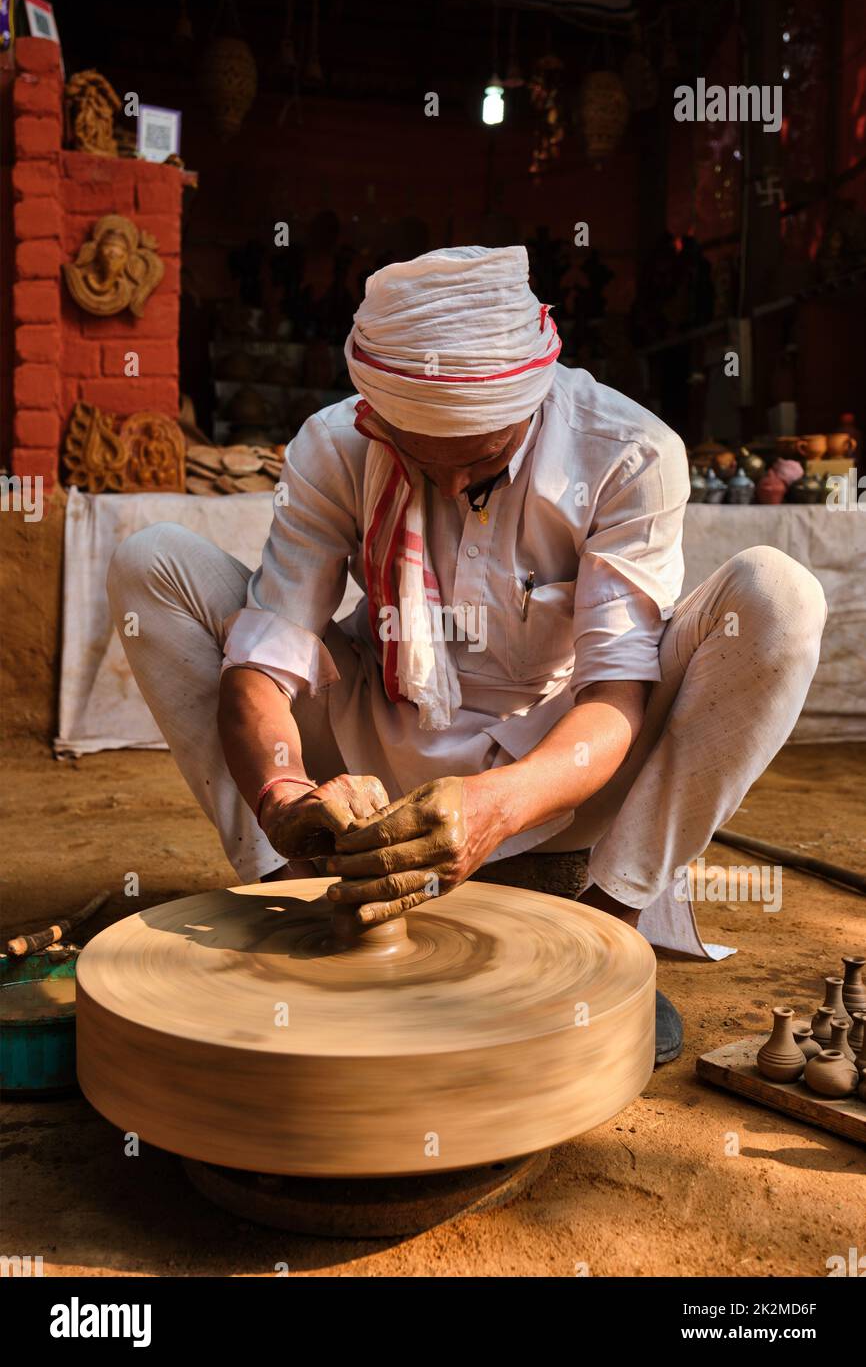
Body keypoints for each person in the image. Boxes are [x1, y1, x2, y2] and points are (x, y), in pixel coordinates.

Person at [108, 246, 827, 1065]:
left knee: (779, 598)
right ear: (379, 416)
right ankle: (296, 891)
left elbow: (617, 694)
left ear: (530, 404)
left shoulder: (628, 451)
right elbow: (268, 658)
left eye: (481, 467)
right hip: (372, 744)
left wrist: (499, 804)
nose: (450, 491)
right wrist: (281, 795)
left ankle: (606, 930)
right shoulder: (338, 445)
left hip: (561, 766)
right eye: (421, 462)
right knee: (153, 562)